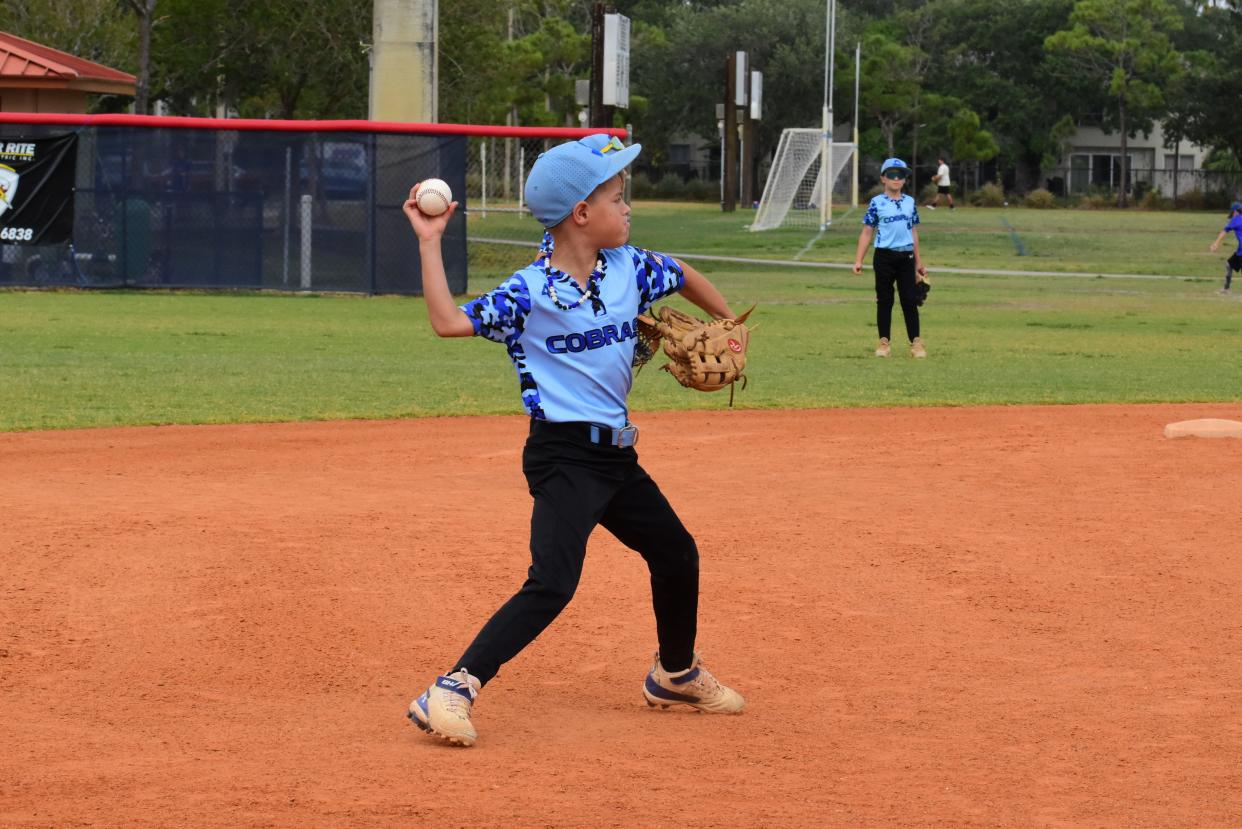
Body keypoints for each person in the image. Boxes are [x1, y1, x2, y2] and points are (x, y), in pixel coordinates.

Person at [401, 134, 746, 748]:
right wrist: (431, 243)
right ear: (581, 215)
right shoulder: (530, 292)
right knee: (553, 582)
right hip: (563, 456)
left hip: (616, 456)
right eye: (617, 196)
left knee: (676, 553)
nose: (628, 207)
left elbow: (684, 273)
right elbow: (448, 321)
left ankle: (674, 672)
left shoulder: (628, 266)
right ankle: (452, 688)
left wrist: (725, 324)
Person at [853, 157, 928, 358]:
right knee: (885, 300)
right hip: (884, 256)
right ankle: (884, 343)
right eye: (892, 175)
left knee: (909, 301)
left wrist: (919, 264)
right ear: (883, 179)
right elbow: (867, 231)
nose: (896, 179)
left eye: (900, 175)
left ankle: (916, 344)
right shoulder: (877, 203)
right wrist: (859, 259)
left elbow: (913, 233)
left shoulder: (910, 203)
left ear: (905, 179)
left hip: (906, 256)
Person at [1208, 201, 1242, 294]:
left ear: (1235, 212)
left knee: (1228, 265)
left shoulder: (1236, 219)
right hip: (1240, 250)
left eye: (1232, 212)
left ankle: (1226, 289)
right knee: (1229, 264)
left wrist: (1216, 243)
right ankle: (1226, 289)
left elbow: (1224, 232)